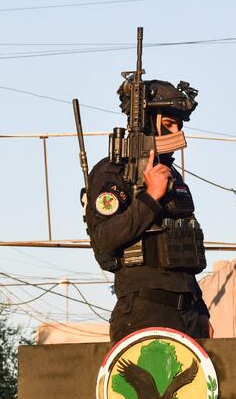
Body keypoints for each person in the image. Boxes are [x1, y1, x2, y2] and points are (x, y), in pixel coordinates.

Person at [85, 79, 210, 342]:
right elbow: (105, 239)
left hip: (188, 313)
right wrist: (151, 197)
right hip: (144, 310)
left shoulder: (172, 175)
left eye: (179, 124)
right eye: (168, 124)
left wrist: (201, 312)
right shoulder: (115, 172)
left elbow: (183, 248)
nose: (177, 132)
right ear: (147, 121)